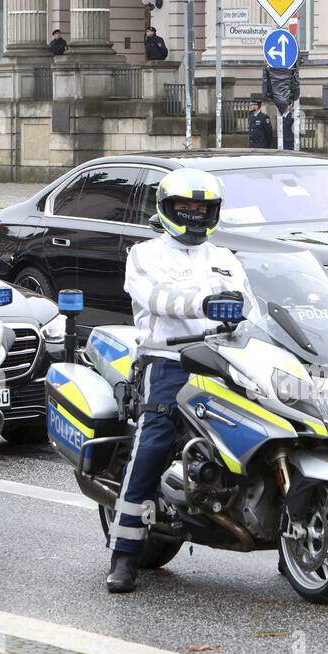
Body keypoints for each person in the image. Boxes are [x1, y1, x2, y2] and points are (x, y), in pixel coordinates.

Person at [106, 169, 250, 593]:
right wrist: (204, 303)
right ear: (166, 209)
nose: (194, 215)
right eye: (185, 207)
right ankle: (124, 554)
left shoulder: (226, 258)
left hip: (224, 359)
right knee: (153, 440)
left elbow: (253, 307)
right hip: (167, 359)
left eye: (202, 209)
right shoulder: (145, 254)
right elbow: (155, 299)